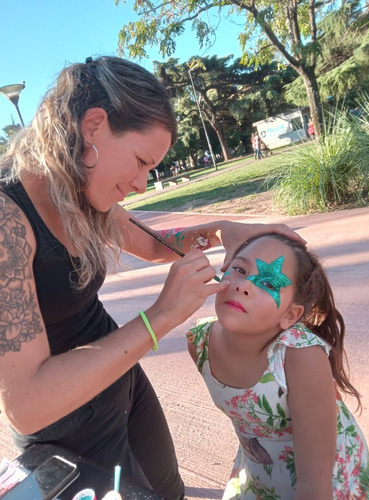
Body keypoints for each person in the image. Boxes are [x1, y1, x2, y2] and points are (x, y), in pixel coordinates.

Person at [0, 56, 303, 500]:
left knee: (170, 492)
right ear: (93, 127)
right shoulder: (8, 221)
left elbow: (154, 244)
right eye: (141, 161)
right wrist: (159, 317)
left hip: (122, 384)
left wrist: (220, 229)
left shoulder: (77, 185)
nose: (143, 184)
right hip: (64, 433)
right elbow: (26, 406)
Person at [187, 233, 369, 499]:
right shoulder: (200, 342)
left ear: (290, 315)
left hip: (325, 477)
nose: (244, 285)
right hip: (260, 471)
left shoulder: (300, 356)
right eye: (239, 269)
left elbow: (314, 485)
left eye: (268, 282)